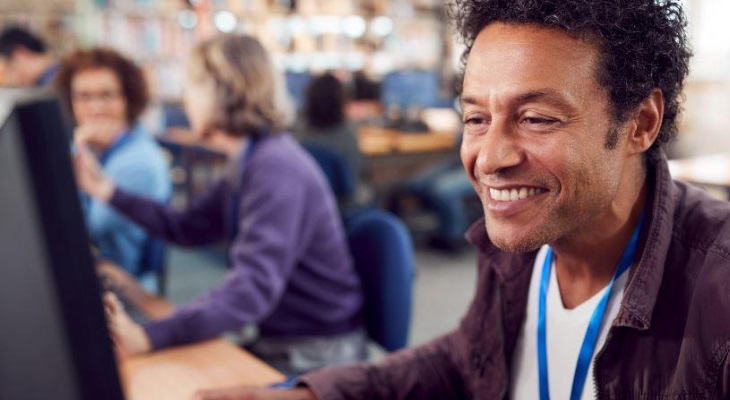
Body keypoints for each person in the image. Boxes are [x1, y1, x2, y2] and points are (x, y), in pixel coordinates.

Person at [192, 0, 730, 399]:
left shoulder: (718, 293)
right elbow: (462, 359)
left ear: (640, 123)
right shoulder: (523, 244)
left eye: (537, 118)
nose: (489, 158)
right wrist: (306, 394)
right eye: (475, 118)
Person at [74, 34, 365, 375]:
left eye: (191, 87)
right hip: (281, 337)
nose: (185, 100)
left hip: (316, 353)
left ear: (221, 90)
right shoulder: (250, 159)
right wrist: (105, 189)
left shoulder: (275, 168)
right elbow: (185, 227)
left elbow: (250, 292)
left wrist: (149, 335)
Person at [56, 47, 171, 281]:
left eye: (106, 95)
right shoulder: (92, 147)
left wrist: (79, 146)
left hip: (128, 290)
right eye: (84, 97)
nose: (95, 107)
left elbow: (86, 229)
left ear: (128, 99)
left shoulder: (139, 160)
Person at [296, 72, 363, 208]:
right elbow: (356, 176)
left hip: (308, 207)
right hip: (344, 207)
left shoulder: (298, 137)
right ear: (342, 102)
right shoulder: (347, 138)